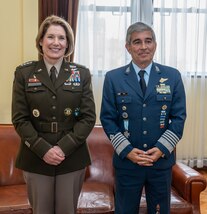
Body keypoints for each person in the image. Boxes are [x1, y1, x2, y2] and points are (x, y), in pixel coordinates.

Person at [12, 15, 96, 214]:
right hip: (36, 156)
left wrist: (62, 148)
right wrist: (44, 150)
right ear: (41, 41)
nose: (56, 43)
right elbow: (20, 118)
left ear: (68, 44)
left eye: (62, 38)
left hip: (72, 156)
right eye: (50, 37)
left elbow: (88, 117)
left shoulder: (81, 74)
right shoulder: (24, 73)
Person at [100, 22, 186, 214]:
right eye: (137, 42)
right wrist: (128, 151)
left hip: (160, 162)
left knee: (159, 210)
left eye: (148, 41)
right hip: (127, 163)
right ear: (128, 47)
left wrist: (162, 149)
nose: (143, 47)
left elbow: (179, 117)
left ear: (155, 44)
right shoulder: (113, 78)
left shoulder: (172, 76)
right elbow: (108, 119)